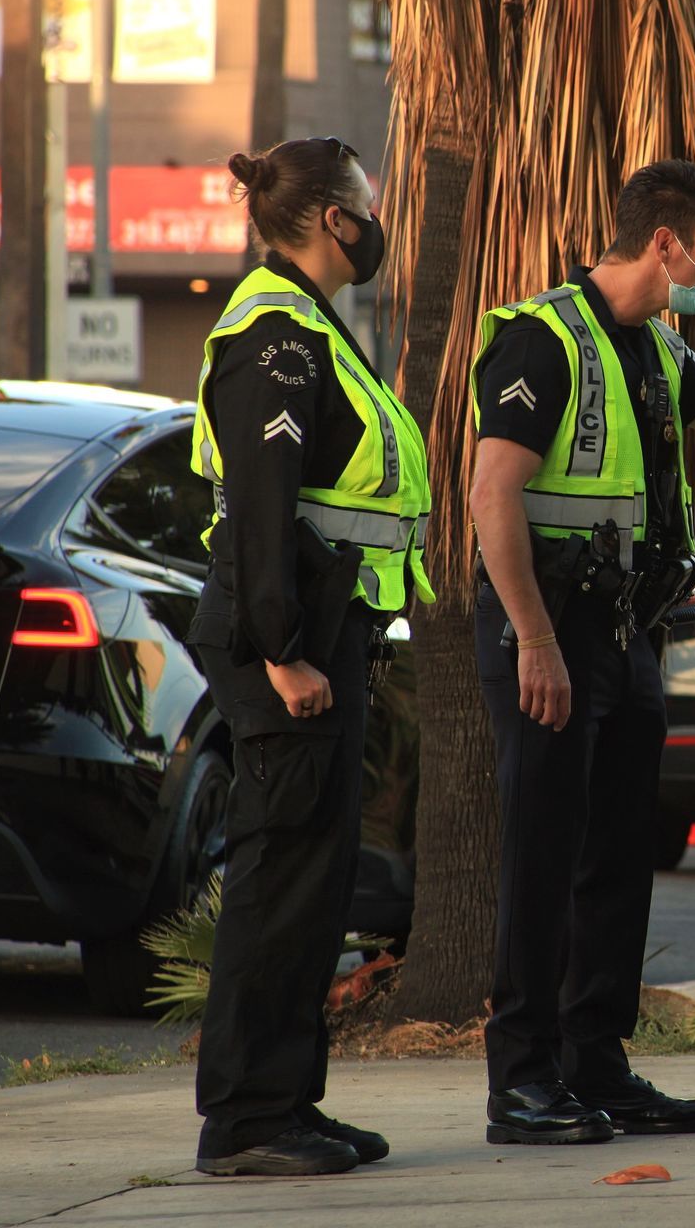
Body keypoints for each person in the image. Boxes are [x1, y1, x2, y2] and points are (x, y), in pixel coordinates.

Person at [468, 159, 695, 1145]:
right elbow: (494, 494)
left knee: (616, 860)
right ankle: (522, 1080)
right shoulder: (545, 336)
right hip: (549, 626)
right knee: (543, 857)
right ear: (665, 244)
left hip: (623, 632)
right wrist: (534, 638)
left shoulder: (653, 345)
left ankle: (595, 1064)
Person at [186, 137, 433, 1175]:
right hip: (285, 647)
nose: (377, 224)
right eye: (367, 207)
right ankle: (245, 1117)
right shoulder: (276, 337)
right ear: (334, 218)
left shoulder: (314, 328)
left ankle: (291, 1099)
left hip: (327, 639)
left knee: (315, 881)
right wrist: (281, 651)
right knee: (280, 877)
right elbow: (262, 511)